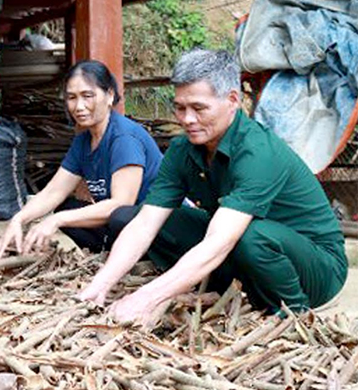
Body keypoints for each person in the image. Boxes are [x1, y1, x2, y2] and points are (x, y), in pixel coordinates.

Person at [79, 49, 348, 326]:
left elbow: (222, 239)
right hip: (241, 247)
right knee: (130, 216)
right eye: (180, 107)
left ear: (232, 100)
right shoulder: (184, 149)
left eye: (199, 108)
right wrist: (100, 285)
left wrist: (147, 297)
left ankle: (291, 312)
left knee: (250, 237)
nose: (187, 119)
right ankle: (220, 285)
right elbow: (146, 222)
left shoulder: (257, 152)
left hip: (316, 268)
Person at [0, 60, 163, 259]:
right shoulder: (84, 141)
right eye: (71, 98)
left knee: (119, 216)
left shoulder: (124, 138)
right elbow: (54, 192)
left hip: (158, 224)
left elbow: (121, 203)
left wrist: (56, 220)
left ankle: (142, 257)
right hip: (126, 225)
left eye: (87, 96)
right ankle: (112, 253)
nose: (79, 106)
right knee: (67, 207)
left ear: (110, 96)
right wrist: (18, 220)